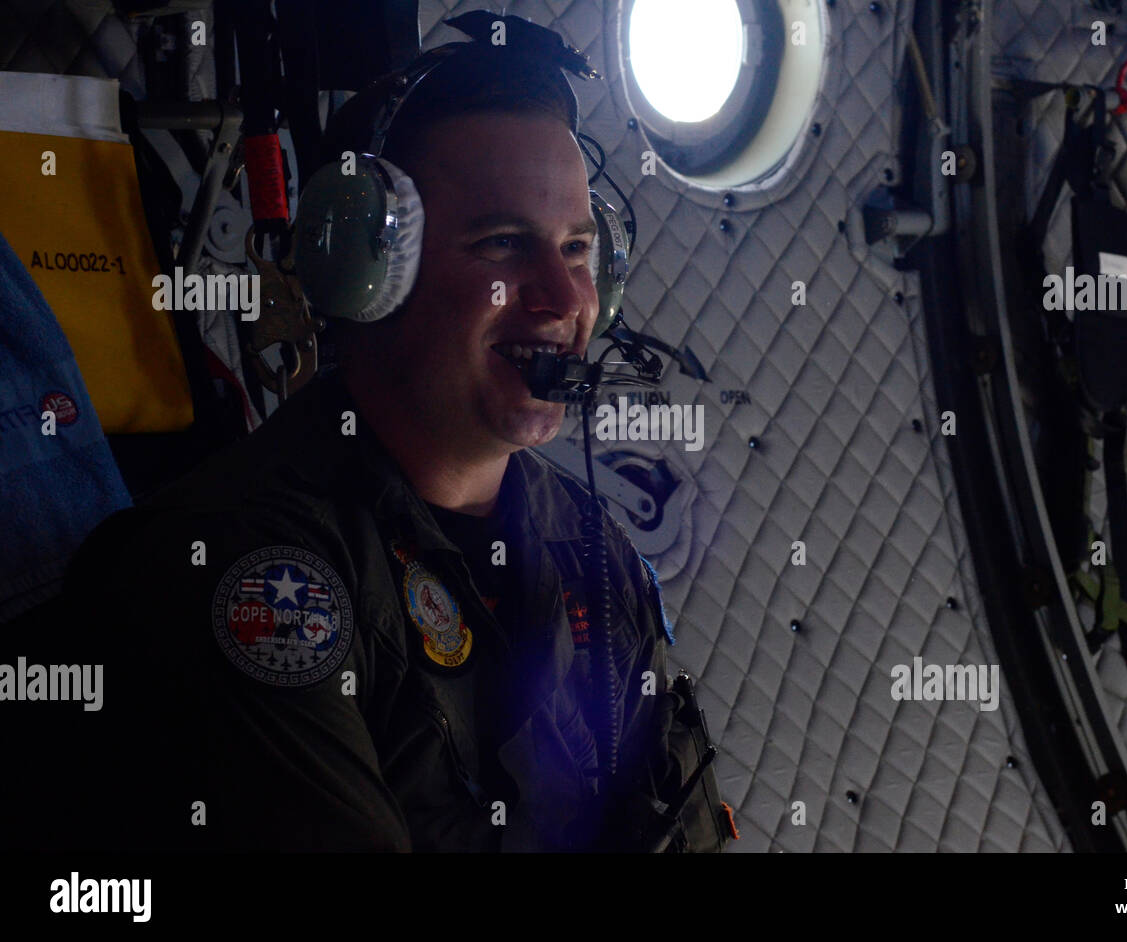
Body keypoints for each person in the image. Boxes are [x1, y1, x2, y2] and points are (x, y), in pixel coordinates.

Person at [53, 14, 733, 853]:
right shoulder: (260, 578)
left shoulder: (594, 549)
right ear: (366, 272)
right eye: (503, 245)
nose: (565, 299)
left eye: (576, 249)